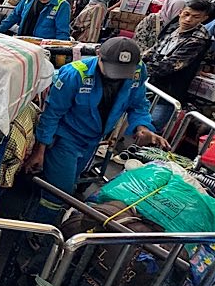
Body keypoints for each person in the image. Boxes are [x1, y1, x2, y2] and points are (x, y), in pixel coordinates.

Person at [22, 37, 167, 224]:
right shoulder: (74, 75)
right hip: (66, 137)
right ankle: (39, 227)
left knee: (69, 181)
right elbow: (52, 113)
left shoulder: (136, 72)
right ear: (99, 55)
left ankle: (45, 217)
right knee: (60, 189)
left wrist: (142, 127)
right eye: (114, 70)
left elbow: (138, 104)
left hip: (93, 140)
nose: (118, 76)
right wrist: (40, 149)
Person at [142, 0, 213, 130]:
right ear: (180, 12)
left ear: (204, 18)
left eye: (195, 17)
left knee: (150, 128)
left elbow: (173, 65)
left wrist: (140, 69)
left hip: (169, 90)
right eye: (186, 14)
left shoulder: (198, 40)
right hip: (150, 83)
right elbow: (154, 49)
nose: (188, 20)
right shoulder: (173, 27)